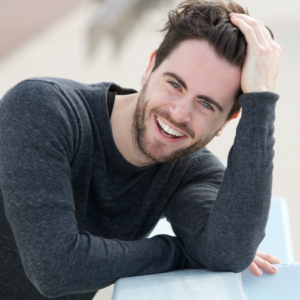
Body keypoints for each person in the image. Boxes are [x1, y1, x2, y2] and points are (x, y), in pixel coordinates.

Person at [0, 0, 282, 299]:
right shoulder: (41, 109)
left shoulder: (190, 172)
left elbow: (228, 252)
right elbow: (55, 268)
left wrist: (261, 103)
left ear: (227, 121)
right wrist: (178, 251)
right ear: (150, 68)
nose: (179, 113)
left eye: (206, 104)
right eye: (175, 84)